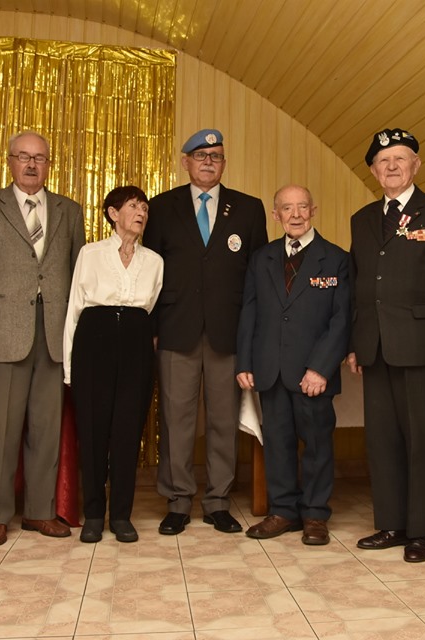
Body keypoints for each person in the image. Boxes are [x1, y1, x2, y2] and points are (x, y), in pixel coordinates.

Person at [348, 128, 425, 563]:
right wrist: (355, 342)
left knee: (422, 441)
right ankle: (390, 524)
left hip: (422, 345)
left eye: (400, 159)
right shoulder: (362, 219)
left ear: (416, 165)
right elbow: (358, 285)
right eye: (384, 161)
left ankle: (420, 531)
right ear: (373, 170)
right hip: (375, 346)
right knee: (381, 441)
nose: (392, 166)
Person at [0, 131, 86, 546]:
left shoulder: (70, 210)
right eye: (23, 157)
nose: (31, 165)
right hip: (2, 333)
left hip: (53, 335)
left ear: (49, 164)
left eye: (39, 158)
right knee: (0, 430)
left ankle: (39, 511)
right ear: (10, 161)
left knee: (46, 429)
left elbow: (80, 278)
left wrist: (77, 338)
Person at [143, 129, 267, 536]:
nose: (208, 161)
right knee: (176, 419)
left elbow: (258, 278)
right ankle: (178, 501)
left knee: (224, 420)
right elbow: (149, 271)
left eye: (215, 155)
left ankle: (217, 502)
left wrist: (253, 335)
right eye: (200, 155)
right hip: (175, 331)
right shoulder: (161, 207)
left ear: (224, 163)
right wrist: (153, 329)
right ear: (186, 162)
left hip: (228, 333)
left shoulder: (248, 208)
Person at [236, 185, 350, 545]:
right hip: (270, 369)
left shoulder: (336, 258)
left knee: (317, 445)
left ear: (313, 211)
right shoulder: (262, 258)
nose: (296, 214)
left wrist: (321, 368)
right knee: (277, 443)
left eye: (302, 207)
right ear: (276, 215)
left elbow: (342, 319)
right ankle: (283, 511)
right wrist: (245, 361)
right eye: (287, 208)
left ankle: (315, 514)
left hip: (313, 374)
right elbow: (250, 310)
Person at [63, 186, 163, 543]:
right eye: (134, 206)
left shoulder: (154, 261)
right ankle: (93, 514)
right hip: (94, 340)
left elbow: (152, 307)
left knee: (127, 431)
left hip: (136, 341)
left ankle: (121, 515)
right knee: (93, 432)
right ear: (112, 213)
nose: (141, 213)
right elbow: (75, 309)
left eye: (145, 208)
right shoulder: (90, 254)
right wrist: (70, 369)